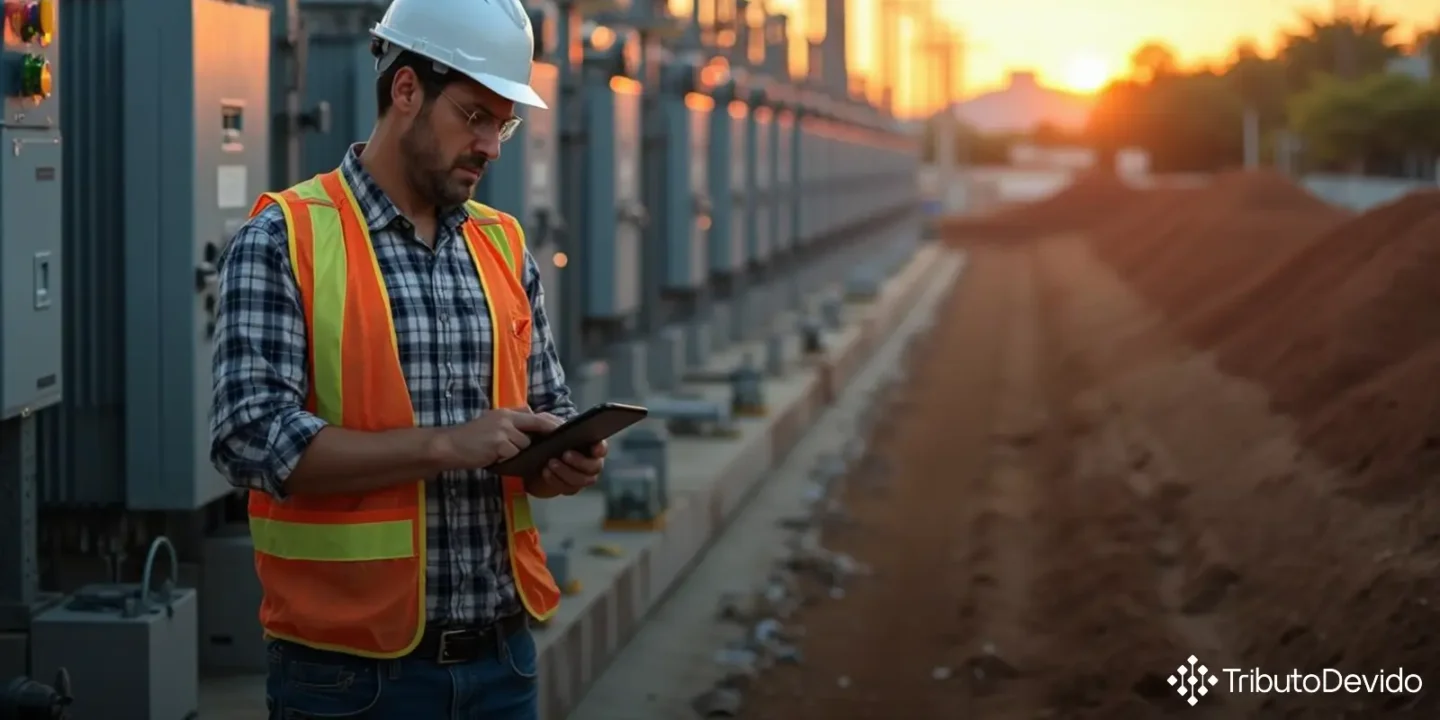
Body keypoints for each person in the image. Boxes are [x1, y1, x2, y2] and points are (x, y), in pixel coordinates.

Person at [207, 0, 603, 716]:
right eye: (476, 116)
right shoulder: (283, 239)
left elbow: (547, 412)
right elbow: (248, 439)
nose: (492, 145)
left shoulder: (503, 245)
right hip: (348, 680)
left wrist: (560, 461)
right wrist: (446, 446)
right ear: (407, 90)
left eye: (504, 122)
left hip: (503, 664)